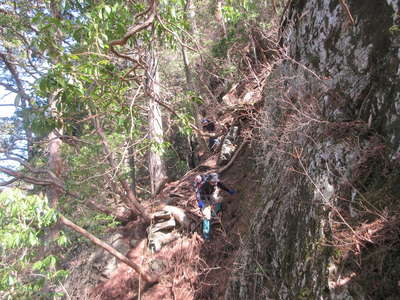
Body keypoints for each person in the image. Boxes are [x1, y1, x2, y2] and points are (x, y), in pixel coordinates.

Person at [194, 173, 236, 240]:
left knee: (220, 199)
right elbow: (198, 193)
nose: (215, 183)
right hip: (203, 199)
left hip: (210, 195)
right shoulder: (204, 184)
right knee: (207, 216)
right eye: (213, 182)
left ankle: (214, 214)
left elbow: (222, 185)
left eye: (216, 181)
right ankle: (206, 234)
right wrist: (200, 202)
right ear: (209, 181)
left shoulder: (216, 182)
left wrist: (229, 190)